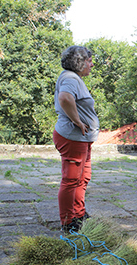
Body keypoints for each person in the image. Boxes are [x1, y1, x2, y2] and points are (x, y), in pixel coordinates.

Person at [53, 46, 99, 233]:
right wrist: (77, 121)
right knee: (71, 179)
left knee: (83, 177)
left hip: (82, 139)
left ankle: (79, 214)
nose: (92, 64)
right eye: (89, 60)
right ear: (79, 62)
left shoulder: (75, 78)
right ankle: (68, 221)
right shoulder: (70, 78)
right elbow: (65, 98)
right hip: (72, 137)